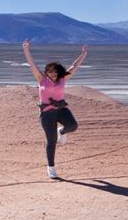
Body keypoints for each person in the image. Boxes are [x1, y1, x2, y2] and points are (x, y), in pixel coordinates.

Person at [22, 39, 87, 179]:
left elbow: (74, 66)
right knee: (51, 141)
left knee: (73, 126)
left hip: (62, 110)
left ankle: (61, 131)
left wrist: (83, 55)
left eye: (56, 72)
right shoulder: (41, 79)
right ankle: (51, 168)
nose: (54, 74)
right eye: (51, 72)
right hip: (47, 114)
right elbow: (31, 64)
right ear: (47, 72)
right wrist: (26, 50)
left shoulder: (62, 79)